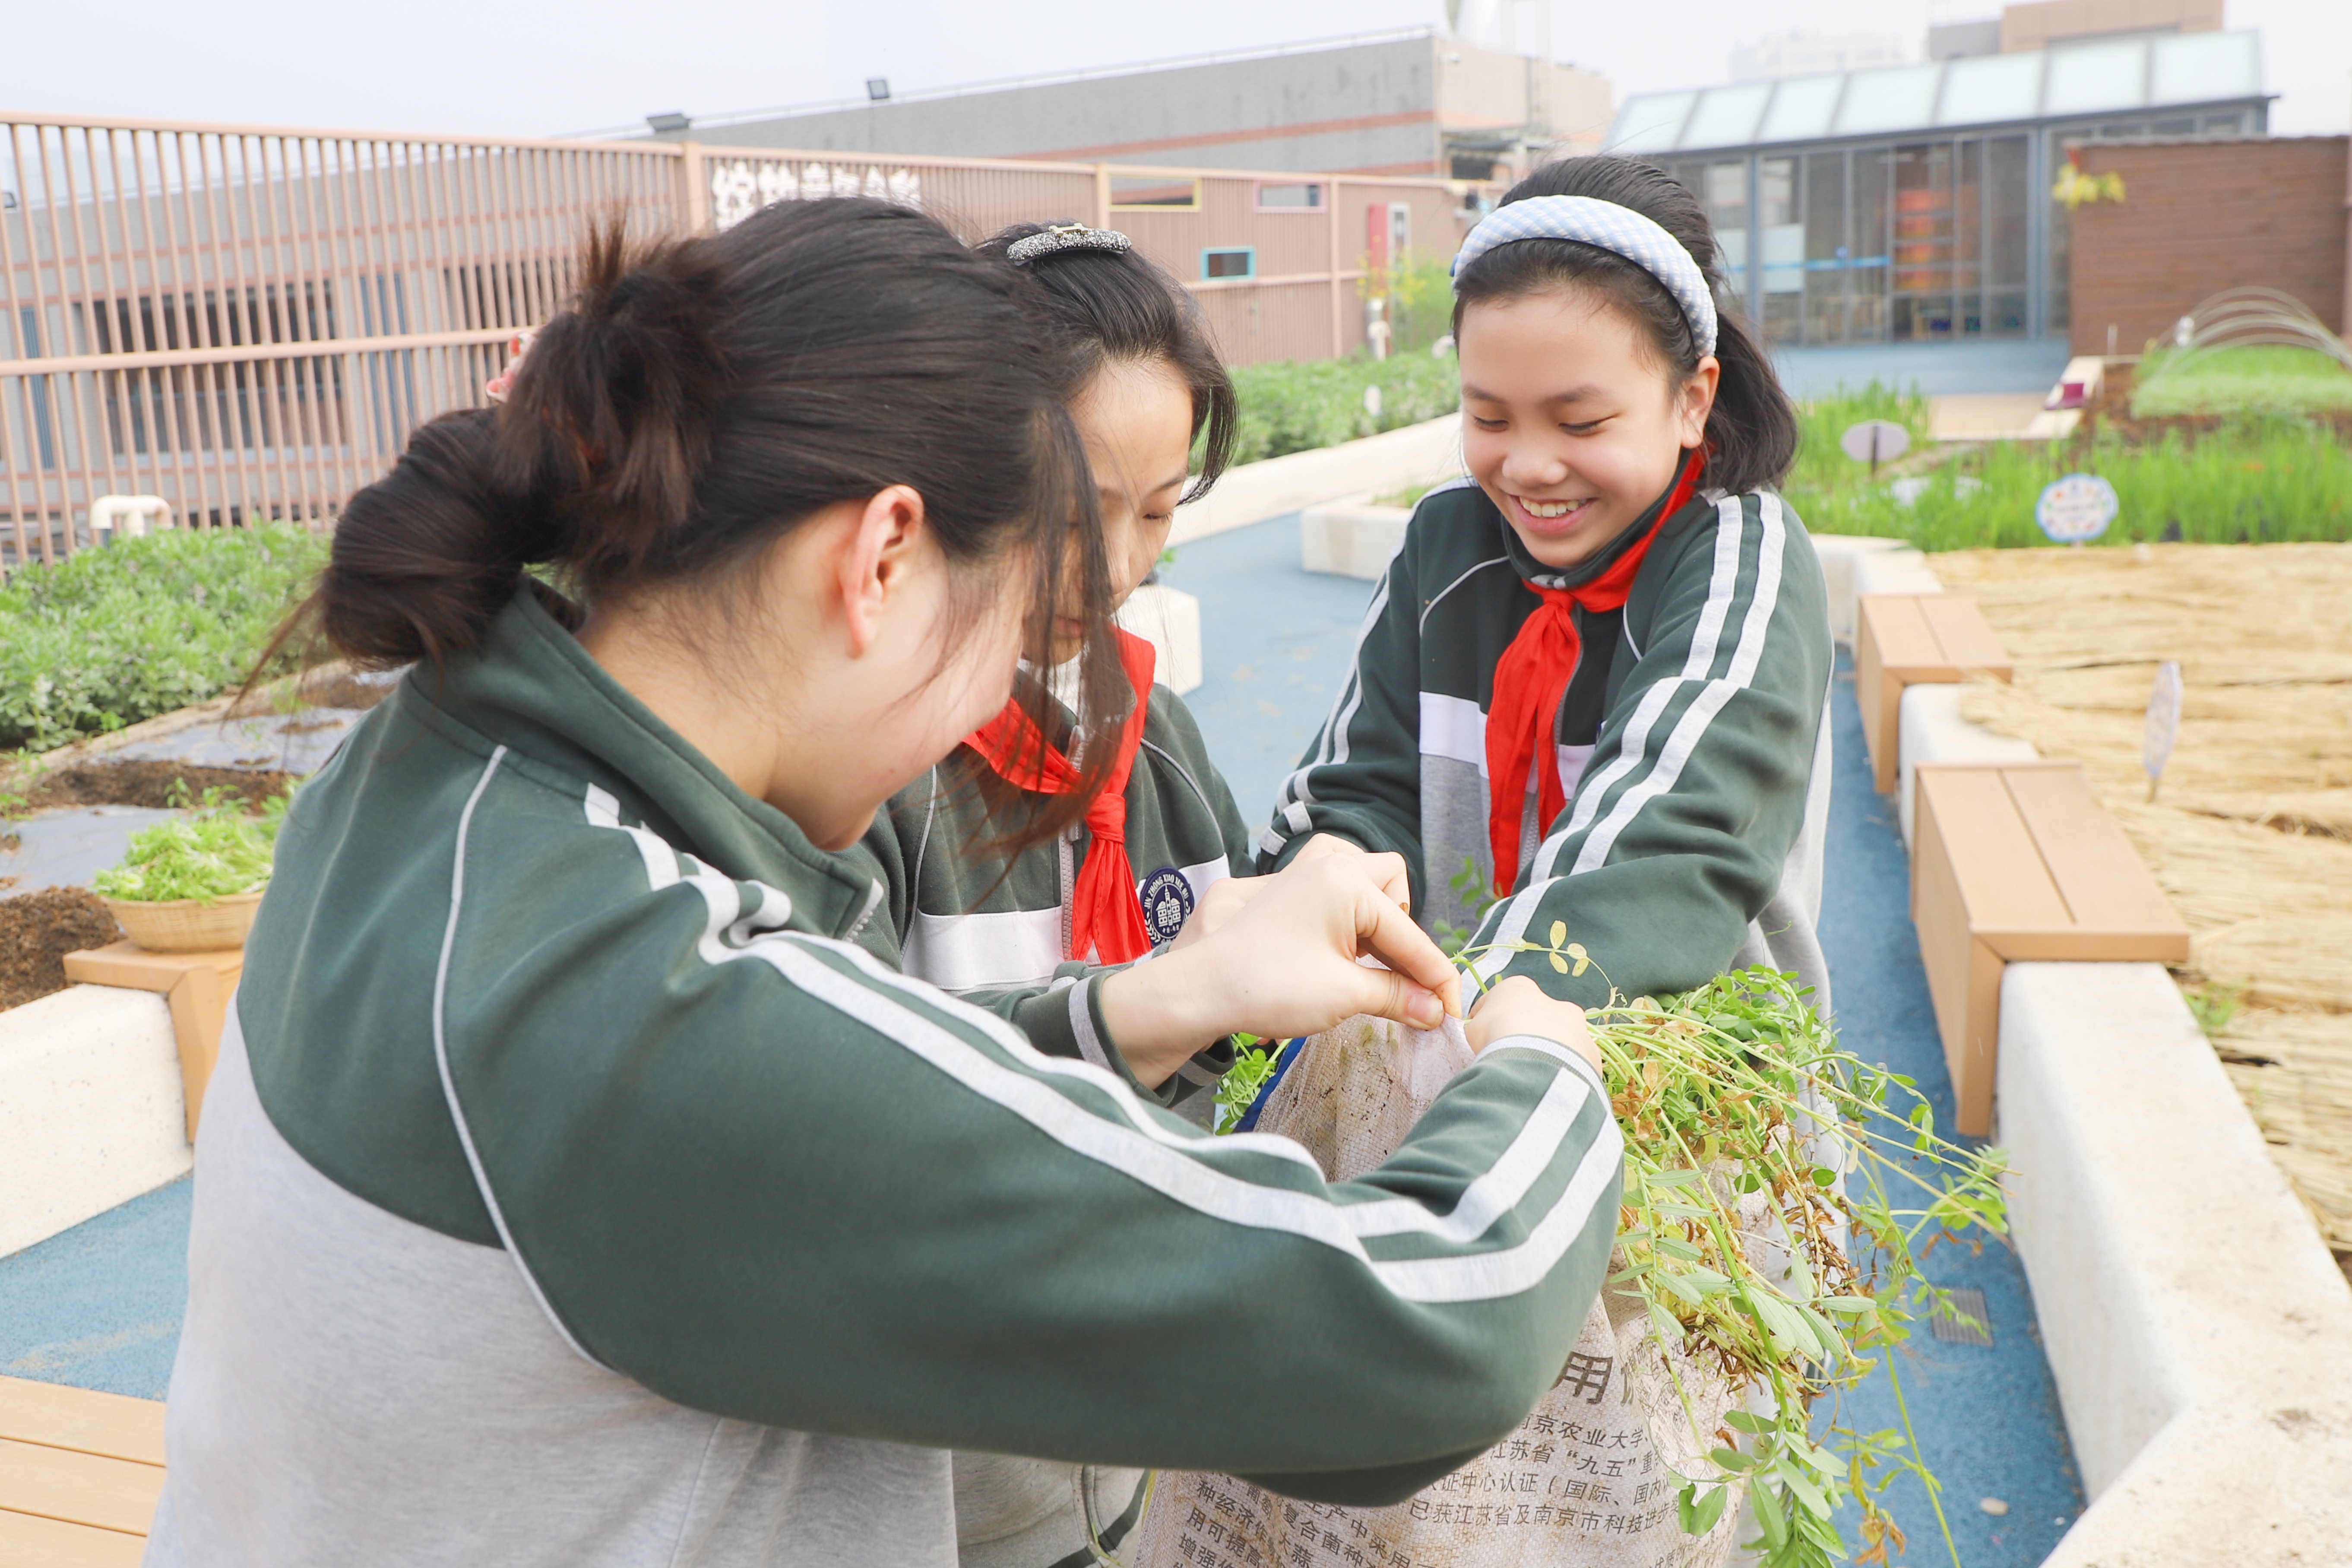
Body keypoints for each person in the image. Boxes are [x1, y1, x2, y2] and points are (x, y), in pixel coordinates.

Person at [144, 198, 1620, 1568]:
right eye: (1014, 612)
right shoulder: (647, 1004)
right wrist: (1538, 1067)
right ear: (884, 557)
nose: (1026, 671)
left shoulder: (436, 779)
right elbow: (1431, 1324)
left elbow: (844, 1098)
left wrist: (1145, 1006)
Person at [1257, 156, 1834, 1016]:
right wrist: (1326, 878)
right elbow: (1357, 786)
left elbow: (1663, 842)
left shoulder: (1740, 561)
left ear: (1692, 399)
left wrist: (1483, 1017)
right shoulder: (1447, 547)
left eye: (1580, 422)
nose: (1528, 466)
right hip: (1449, 1048)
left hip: (1673, 1076)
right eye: (1489, 417)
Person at [869, 221, 1253, 1124]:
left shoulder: (1161, 737)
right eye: (1071, 516)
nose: (1115, 571)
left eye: (1156, 514)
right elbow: (851, 1089)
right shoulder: (876, 777)